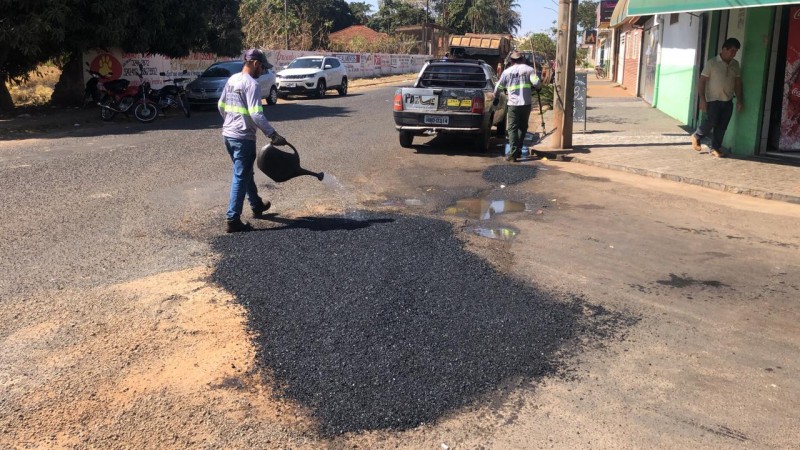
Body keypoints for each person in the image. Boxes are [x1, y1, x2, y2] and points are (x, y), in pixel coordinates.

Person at [218, 49, 287, 233]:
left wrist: (230, 123)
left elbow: (221, 105)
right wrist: (272, 134)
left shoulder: (232, 79)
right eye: (262, 67)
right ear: (255, 63)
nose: (263, 71)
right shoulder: (252, 84)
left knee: (244, 171)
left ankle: (256, 204)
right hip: (243, 137)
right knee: (240, 176)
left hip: (229, 135)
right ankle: (233, 219)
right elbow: (256, 113)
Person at [690, 38, 743, 158]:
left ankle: (715, 148)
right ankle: (697, 136)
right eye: (732, 51)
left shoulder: (735, 64)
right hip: (713, 100)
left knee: (722, 126)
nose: (733, 54)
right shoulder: (712, 63)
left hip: (728, 100)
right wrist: (702, 99)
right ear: (724, 49)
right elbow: (702, 81)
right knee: (712, 121)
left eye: (735, 52)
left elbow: (738, 83)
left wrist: (740, 100)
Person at [494, 50, 541, 162]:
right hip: (526, 104)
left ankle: (513, 154)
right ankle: (518, 150)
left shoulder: (507, 72)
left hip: (513, 105)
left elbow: (499, 87)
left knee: (512, 128)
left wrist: (496, 97)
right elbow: (537, 83)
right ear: (522, 59)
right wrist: (539, 88)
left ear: (511, 60)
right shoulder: (529, 70)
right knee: (522, 127)